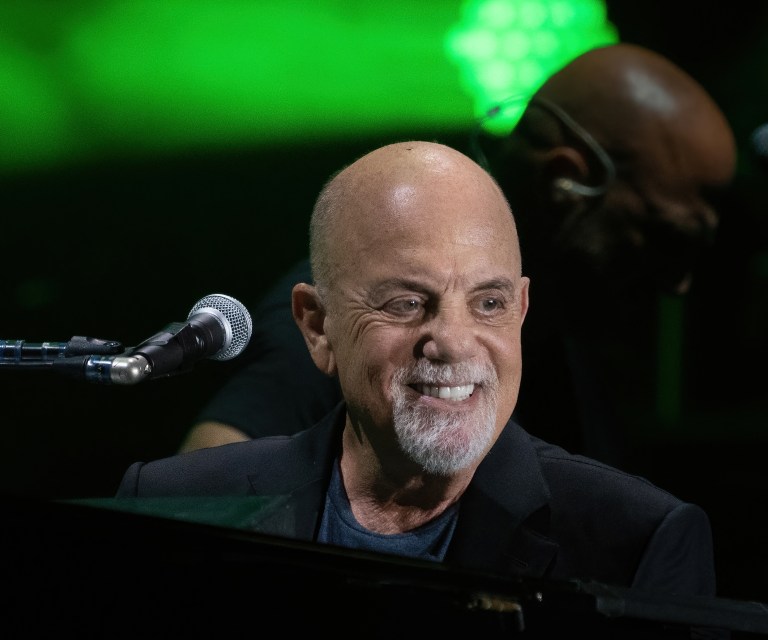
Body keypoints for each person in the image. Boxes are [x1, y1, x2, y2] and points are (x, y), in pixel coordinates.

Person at [118, 141, 716, 601]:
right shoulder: (176, 501)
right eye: (406, 303)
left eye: (489, 303)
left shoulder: (634, 541)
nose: (454, 343)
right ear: (317, 327)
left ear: (522, 311)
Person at [177, 43, 738, 470]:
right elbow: (206, 489)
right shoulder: (361, 318)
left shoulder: (555, 347)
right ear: (566, 184)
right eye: (663, 238)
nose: (679, 283)